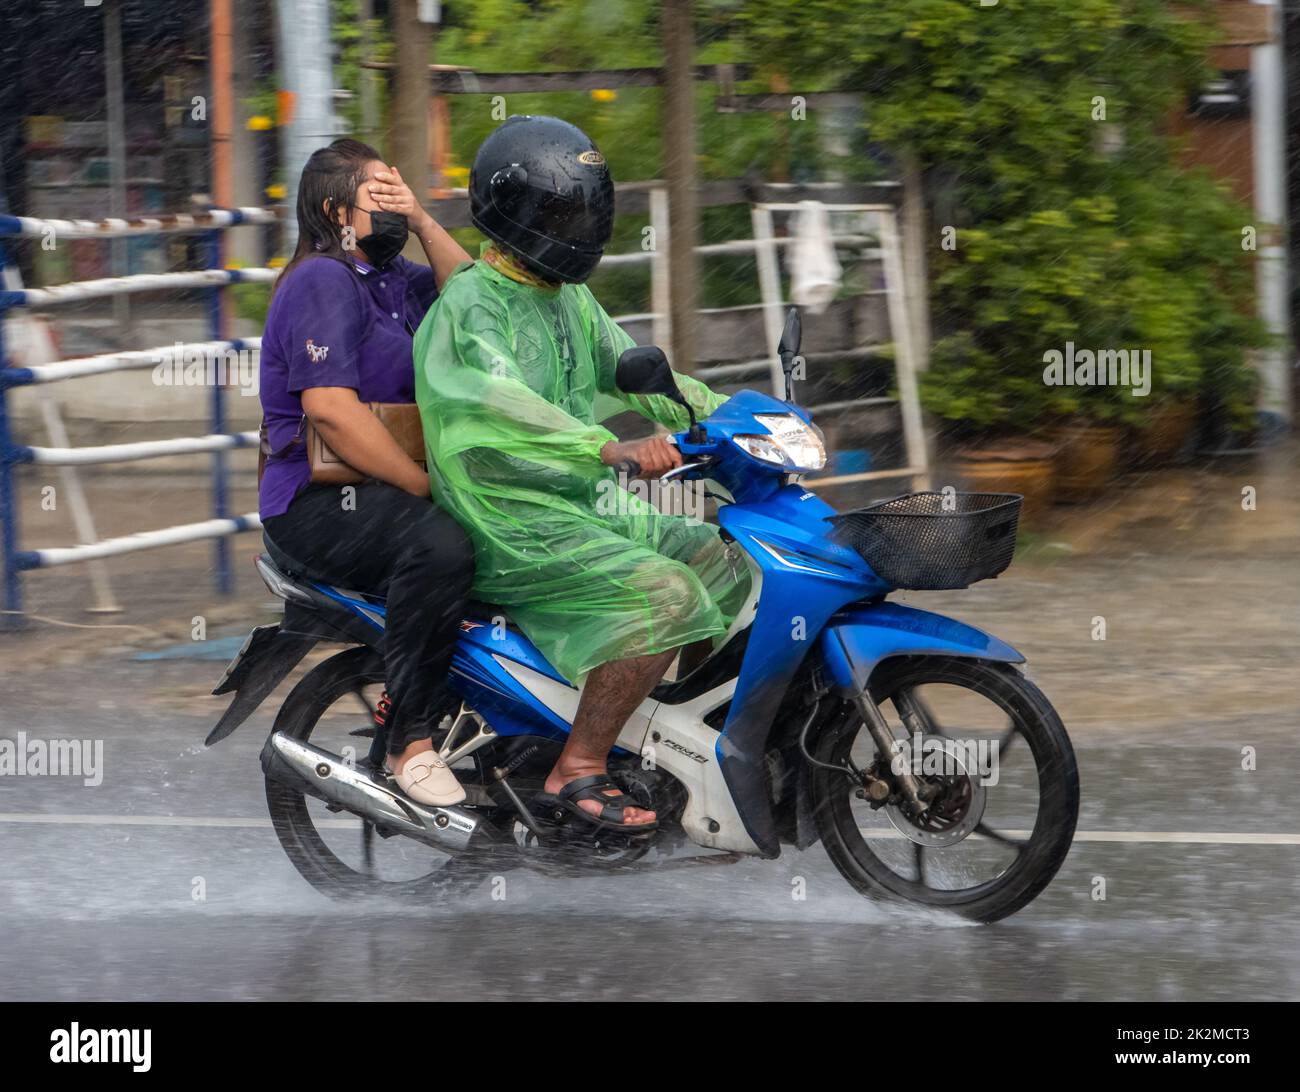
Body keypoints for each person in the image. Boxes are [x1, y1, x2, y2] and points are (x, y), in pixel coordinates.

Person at [414, 116, 750, 830]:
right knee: (666, 594)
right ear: (518, 212)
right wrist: (606, 449)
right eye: (565, 212)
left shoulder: (566, 295)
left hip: (578, 501)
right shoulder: (471, 305)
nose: (583, 226)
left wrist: (737, 420)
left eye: (590, 211)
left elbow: (637, 373)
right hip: (508, 516)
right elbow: (503, 405)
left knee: (723, 559)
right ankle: (580, 766)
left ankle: (659, 739)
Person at [258, 138, 473, 807]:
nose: (393, 205)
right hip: (316, 503)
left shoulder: (394, 280)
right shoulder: (322, 280)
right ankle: (408, 738)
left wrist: (425, 220)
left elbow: (474, 296)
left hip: (377, 486)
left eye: (399, 190)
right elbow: (331, 413)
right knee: (440, 543)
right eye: (379, 195)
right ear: (335, 210)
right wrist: (424, 487)